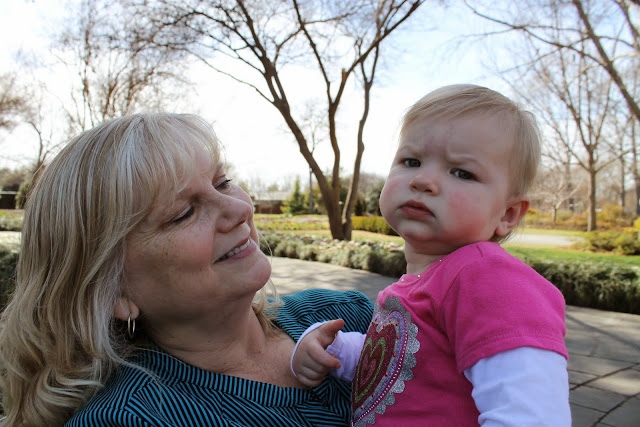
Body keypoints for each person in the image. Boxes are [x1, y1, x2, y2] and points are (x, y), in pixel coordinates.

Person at [0, 113, 373, 426]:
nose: (241, 209)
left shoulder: (350, 316)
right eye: (183, 213)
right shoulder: (135, 419)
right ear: (113, 292)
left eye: (222, 182)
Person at [292, 85, 571, 426]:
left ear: (508, 213)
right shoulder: (430, 281)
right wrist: (338, 351)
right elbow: (406, 365)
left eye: (462, 172)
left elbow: (532, 414)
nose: (423, 180)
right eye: (411, 161)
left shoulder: (489, 279)